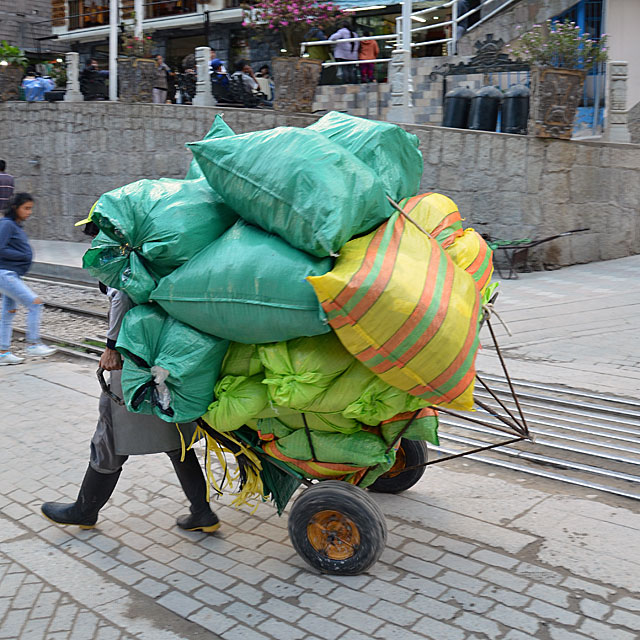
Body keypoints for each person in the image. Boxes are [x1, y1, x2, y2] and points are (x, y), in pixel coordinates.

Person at [41, 232, 220, 531]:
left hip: (134, 364)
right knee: (176, 440)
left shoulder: (124, 265)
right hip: (165, 359)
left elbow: (121, 296)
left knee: (110, 438)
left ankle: (85, 510)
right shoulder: (157, 260)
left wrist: (111, 347)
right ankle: (202, 512)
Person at [0, 193, 57, 365]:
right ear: (15, 208)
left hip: (11, 274)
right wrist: (22, 255)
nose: (29, 212)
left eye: (30, 208)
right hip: (5, 274)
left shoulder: (15, 226)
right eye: (26, 208)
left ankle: (3, 353)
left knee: (8, 314)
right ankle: (33, 344)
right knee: (35, 303)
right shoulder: (7, 224)